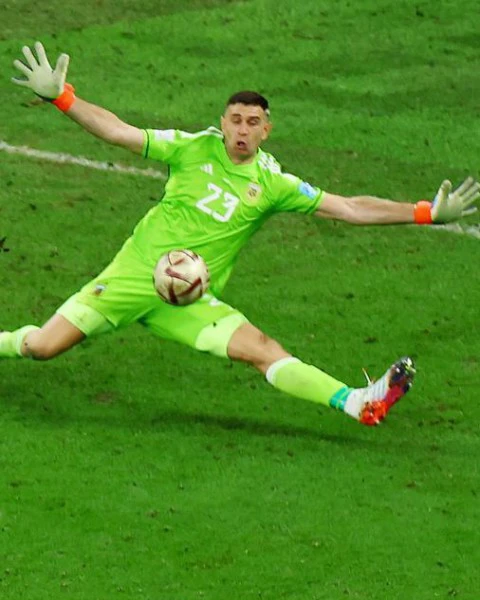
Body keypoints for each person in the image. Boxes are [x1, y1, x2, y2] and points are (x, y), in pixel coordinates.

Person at [3, 42, 479, 426]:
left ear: (266, 130)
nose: (242, 130)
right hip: (129, 280)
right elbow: (118, 132)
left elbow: (350, 208)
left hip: (188, 298)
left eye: (253, 123)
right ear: (223, 122)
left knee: (263, 350)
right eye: (235, 120)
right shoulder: (192, 148)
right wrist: (62, 98)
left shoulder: (273, 184)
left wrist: (424, 212)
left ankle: (356, 401)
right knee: (42, 347)